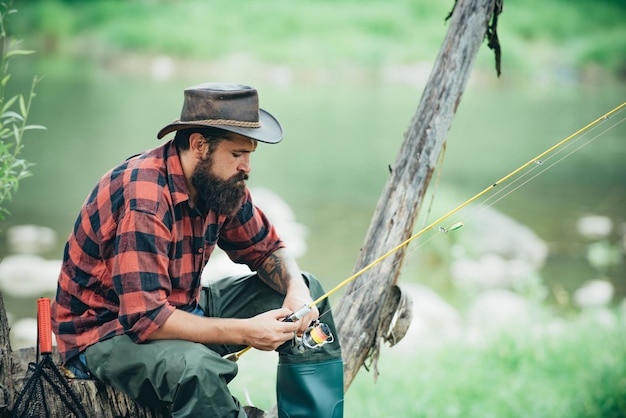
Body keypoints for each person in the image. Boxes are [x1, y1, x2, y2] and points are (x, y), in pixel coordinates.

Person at [51, 83, 344, 417]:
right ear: (200, 145)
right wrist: (247, 331)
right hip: (105, 332)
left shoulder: (221, 184)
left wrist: (296, 289)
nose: (246, 166)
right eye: (237, 154)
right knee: (198, 369)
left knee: (310, 294)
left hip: (179, 306)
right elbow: (145, 319)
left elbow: (267, 248)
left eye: (249, 154)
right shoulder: (145, 198)